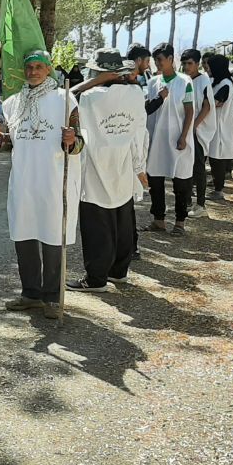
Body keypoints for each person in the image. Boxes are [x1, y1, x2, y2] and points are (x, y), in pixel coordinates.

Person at [0, 49, 81, 320]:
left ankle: (52, 297)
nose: (33, 72)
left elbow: (80, 144)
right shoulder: (14, 102)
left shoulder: (65, 100)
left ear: (49, 69)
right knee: (24, 234)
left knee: (52, 236)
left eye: (39, 66)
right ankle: (31, 294)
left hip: (53, 180)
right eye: (29, 67)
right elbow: (9, 143)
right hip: (24, 179)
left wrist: (72, 140)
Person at [68, 49, 148, 292]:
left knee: (97, 224)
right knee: (122, 218)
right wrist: (140, 167)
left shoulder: (88, 96)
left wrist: (94, 82)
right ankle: (118, 272)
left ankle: (96, 278)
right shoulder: (135, 93)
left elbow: (66, 98)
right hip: (123, 163)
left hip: (95, 165)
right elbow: (140, 133)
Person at [144, 42, 194, 235]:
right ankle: (159, 220)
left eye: (160, 60)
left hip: (177, 138)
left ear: (171, 59)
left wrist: (184, 135)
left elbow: (189, 110)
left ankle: (180, 222)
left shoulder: (184, 82)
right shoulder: (153, 83)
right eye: (155, 60)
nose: (157, 63)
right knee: (155, 181)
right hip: (156, 138)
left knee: (180, 181)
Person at [181, 48, 215, 219]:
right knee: (185, 166)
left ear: (197, 63)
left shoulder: (203, 81)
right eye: (184, 63)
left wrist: (194, 126)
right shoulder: (183, 80)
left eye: (190, 63)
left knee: (198, 167)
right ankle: (186, 200)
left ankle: (201, 204)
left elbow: (207, 106)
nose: (187, 67)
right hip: (184, 129)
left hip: (197, 130)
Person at [205, 54, 233, 199]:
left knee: (217, 159)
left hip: (221, 127)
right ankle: (217, 185)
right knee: (214, 158)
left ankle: (219, 190)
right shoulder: (218, 82)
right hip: (215, 126)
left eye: (210, 66)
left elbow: (216, 102)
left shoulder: (225, 84)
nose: (208, 69)